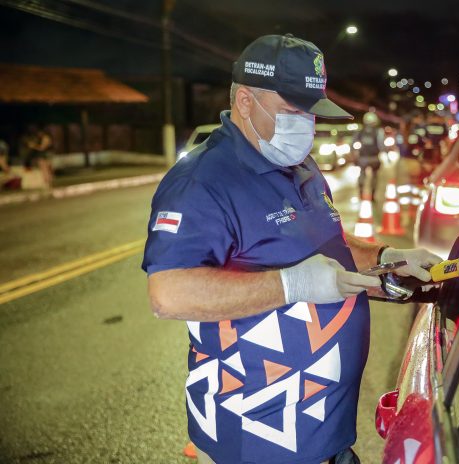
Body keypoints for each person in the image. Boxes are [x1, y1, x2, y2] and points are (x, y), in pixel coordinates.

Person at [142, 34, 441, 464]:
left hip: (321, 435)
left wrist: (387, 261)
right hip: (257, 438)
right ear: (246, 101)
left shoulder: (297, 164)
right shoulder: (205, 181)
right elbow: (169, 294)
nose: (306, 123)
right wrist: (292, 284)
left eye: (311, 112)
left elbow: (330, 242)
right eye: (292, 110)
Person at [353, 109, 384, 200]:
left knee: (362, 175)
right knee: (374, 177)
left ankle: (361, 193)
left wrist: (356, 154)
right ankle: (373, 195)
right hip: (374, 158)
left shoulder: (360, 132)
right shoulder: (378, 132)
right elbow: (381, 145)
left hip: (363, 158)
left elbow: (354, 144)